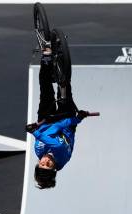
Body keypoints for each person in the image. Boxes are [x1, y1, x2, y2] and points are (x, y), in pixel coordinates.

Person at [25, 48, 88, 189]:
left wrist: (37, 127)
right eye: (48, 165)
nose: (46, 161)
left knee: (45, 90)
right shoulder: (62, 154)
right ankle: (62, 70)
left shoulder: (38, 151)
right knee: (64, 88)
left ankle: (46, 59)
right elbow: (56, 132)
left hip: (46, 121)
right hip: (66, 123)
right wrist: (78, 119)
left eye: (42, 164)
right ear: (54, 168)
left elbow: (43, 132)